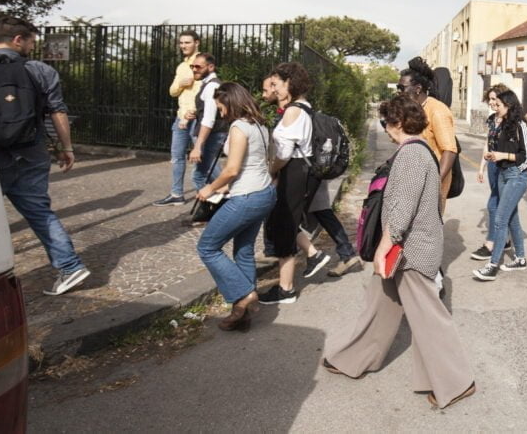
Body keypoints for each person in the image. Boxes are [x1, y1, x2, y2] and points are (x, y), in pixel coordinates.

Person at [323, 95, 475, 409]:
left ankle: (458, 382)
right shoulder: (421, 153)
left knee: (429, 318)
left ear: (399, 123)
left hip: (411, 251)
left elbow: (402, 210)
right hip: (413, 248)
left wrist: (382, 248)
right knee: (379, 307)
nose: (386, 129)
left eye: (387, 123)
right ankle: (354, 359)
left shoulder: (410, 155)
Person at [0, 17, 90, 296]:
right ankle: (70, 266)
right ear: (18, 40)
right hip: (31, 152)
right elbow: (57, 111)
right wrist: (67, 148)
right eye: (31, 42)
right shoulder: (40, 70)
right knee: (39, 211)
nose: (32, 48)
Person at [195, 82, 276, 331]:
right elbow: (262, 162)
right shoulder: (261, 125)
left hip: (248, 197)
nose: (221, 113)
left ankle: (244, 294)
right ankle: (241, 314)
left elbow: (231, 169)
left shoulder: (239, 127)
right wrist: (225, 188)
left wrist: (210, 188)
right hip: (264, 193)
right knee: (243, 250)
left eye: (221, 108)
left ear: (230, 103)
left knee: (207, 247)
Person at [257, 64, 334, 304]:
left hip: (293, 171)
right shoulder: (303, 107)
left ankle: (286, 289)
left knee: (284, 227)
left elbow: (285, 152)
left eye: (277, 84)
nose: (274, 89)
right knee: (286, 221)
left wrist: (271, 170)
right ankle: (312, 254)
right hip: (300, 171)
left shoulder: (293, 112)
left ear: (289, 83)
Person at [472, 89, 527, 281]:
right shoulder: (500, 124)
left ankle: (492, 265)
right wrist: (492, 157)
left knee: (499, 219)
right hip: (502, 173)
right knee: (512, 218)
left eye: (498, 105)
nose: (494, 107)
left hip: (516, 176)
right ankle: (520, 258)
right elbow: (493, 147)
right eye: (494, 104)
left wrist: (504, 158)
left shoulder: (520, 125)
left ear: (509, 105)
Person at [398, 57, 457, 215]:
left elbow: (450, 151)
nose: (399, 92)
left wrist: (434, 183)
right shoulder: (414, 109)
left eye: (402, 87)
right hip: (415, 179)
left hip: (431, 184)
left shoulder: (437, 110)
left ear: (417, 88)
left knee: (426, 232)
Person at [153, 30, 200, 206]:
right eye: (181, 43)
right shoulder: (181, 67)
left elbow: (202, 93)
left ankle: (215, 192)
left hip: (195, 118)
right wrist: (181, 83)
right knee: (177, 157)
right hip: (180, 116)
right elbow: (172, 91)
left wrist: (191, 114)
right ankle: (176, 194)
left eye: (187, 42)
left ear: (197, 43)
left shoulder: (201, 63)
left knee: (202, 156)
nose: (183, 46)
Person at [471, 83, 512, 261]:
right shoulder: (492, 119)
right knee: (500, 203)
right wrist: (482, 167)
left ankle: (491, 243)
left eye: (495, 99)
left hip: (506, 166)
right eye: (490, 99)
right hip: (493, 166)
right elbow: (487, 144)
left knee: (494, 205)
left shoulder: (511, 119)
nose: (492, 103)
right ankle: (507, 239)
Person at [186, 53, 229, 200]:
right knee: (210, 172)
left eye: (198, 66)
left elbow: (209, 119)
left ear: (210, 67)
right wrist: (195, 113)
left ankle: (210, 209)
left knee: (200, 175)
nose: (194, 69)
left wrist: (197, 147)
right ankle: (218, 204)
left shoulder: (212, 86)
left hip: (213, 134)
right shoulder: (208, 84)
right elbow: (206, 113)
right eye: (192, 66)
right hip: (212, 134)